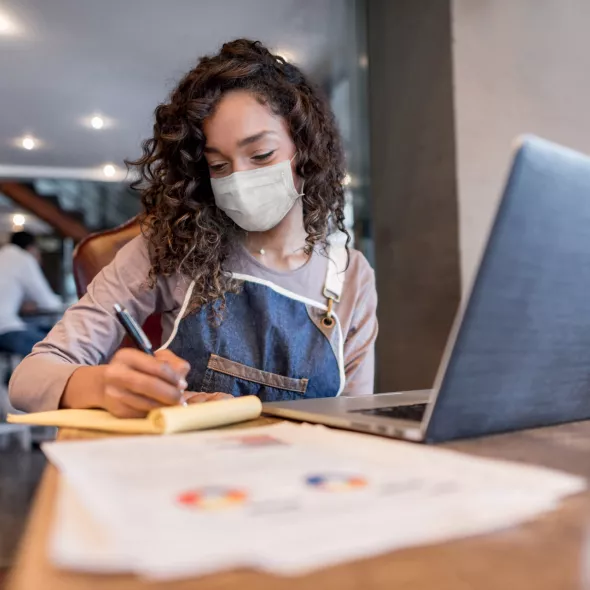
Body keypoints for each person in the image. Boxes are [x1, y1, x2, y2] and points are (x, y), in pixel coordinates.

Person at [9, 39, 378, 417]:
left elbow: (358, 418)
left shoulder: (350, 276)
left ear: (307, 149)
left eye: (261, 155)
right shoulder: (172, 247)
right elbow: (29, 379)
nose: (240, 178)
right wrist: (103, 386)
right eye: (219, 166)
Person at [0, 231, 63, 357]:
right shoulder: (23, 259)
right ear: (31, 248)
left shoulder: (3, 255)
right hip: (5, 329)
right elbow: (48, 302)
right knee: (59, 348)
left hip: (6, 326)